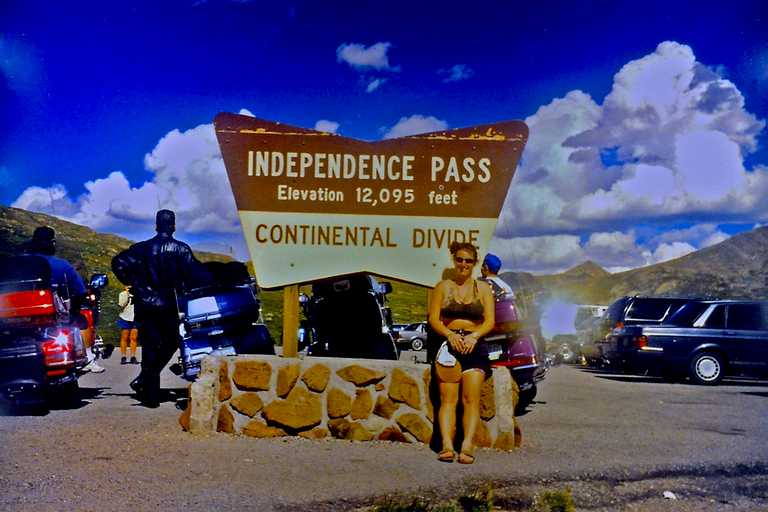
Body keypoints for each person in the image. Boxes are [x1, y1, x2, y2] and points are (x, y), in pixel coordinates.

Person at [111, 210, 200, 408]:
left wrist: (131, 281)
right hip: (168, 304)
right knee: (171, 342)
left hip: (144, 303)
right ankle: (146, 381)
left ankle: (150, 393)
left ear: (156, 226)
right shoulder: (182, 249)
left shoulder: (141, 249)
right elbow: (195, 273)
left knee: (150, 347)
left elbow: (118, 263)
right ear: (174, 227)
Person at [427, 241, 495, 464]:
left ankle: (466, 445)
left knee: (470, 398)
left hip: (474, 346)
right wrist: (450, 335)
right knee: (448, 398)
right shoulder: (443, 287)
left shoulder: (483, 289)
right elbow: (433, 319)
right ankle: (447, 444)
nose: (463, 264)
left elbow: (489, 321)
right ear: (454, 261)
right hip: (449, 345)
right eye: (459, 260)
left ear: (475, 264)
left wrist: (473, 337)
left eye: (468, 260)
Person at [28, 227, 105, 373]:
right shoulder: (61, 264)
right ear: (53, 243)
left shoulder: (22, 262)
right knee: (82, 320)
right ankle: (88, 358)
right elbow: (81, 292)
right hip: (54, 313)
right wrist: (76, 306)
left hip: (22, 316)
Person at [117, 286, 139, 365]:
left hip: (135, 317)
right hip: (125, 317)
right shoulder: (123, 294)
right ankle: (123, 356)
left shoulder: (138, 293)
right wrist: (127, 294)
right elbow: (121, 304)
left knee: (134, 338)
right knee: (124, 337)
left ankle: (133, 356)